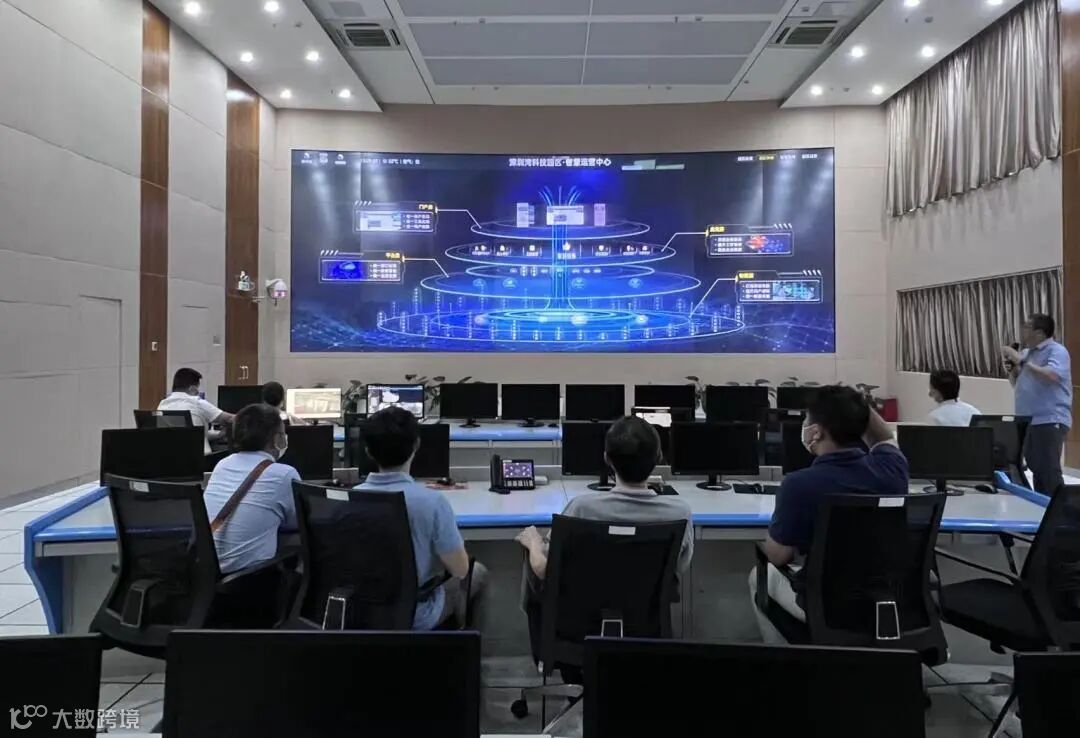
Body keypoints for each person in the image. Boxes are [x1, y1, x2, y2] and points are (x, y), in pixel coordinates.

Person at [515, 416, 693, 665]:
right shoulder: (679, 513)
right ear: (658, 458)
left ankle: (547, 658)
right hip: (645, 630)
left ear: (607, 459)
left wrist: (533, 542)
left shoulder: (581, 508)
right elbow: (678, 568)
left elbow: (547, 570)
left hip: (579, 631)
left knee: (535, 576)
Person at [751, 385, 908, 636]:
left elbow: (779, 556)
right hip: (888, 599)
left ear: (816, 432)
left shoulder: (798, 485)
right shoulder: (893, 469)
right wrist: (855, 405)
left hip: (826, 605)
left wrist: (767, 542)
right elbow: (884, 437)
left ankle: (784, 655)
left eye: (807, 420)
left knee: (757, 576)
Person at [355, 407, 484, 630]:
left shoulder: (348, 499)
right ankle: (470, 648)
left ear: (368, 451)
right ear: (416, 445)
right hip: (415, 614)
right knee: (478, 573)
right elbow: (461, 570)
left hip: (360, 612)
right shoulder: (431, 502)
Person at [203, 403, 299, 573]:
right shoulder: (284, 474)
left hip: (209, 573)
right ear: (277, 439)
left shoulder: (222, 465)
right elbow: (297, 522)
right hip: (250, 578)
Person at [1002, 313, 1073, 495]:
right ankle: (1042, 507)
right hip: (1027, 420)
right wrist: (1013, 370)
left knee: (1048, 470)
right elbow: (1018, 385)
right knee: (1036, 469)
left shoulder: (1057, 351)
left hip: (1049, 418)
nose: (1022, 331)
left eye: (1026, 327)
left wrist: (1021, 361)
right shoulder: (1027, 353)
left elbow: (1052, 375)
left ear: (1040, 333)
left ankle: (1060, 509)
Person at [158, 367, 233, 454]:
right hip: (201, 458)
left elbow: (185, 436)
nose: (198, 392)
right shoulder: (196, 402)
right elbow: (231, 419)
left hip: (172, 458)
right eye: (197, 388)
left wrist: (219, 435)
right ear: (192, 388)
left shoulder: (162, 405)